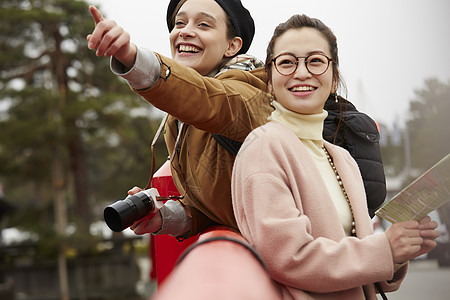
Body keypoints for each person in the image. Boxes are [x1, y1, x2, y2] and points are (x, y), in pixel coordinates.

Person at [87, 0, 385, 240]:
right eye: (180, 23)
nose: (186, 31)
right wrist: (166, 217)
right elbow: (224, 204)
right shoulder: (178, 120)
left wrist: (130, 56)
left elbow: (210, 99)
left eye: (203, 24)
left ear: (232, 46)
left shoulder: (250, 93)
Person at [231, 14, 440, 299]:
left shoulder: (342, 158)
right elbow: (289, 257)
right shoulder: (264, 147)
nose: (301, 72)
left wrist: (399, 253)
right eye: (287, 62)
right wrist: (384, 249)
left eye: (316, 61)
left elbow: (357, 258)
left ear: (333, 79)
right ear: (269, 80)